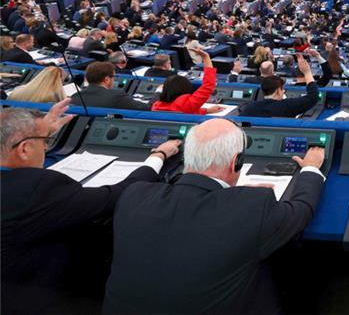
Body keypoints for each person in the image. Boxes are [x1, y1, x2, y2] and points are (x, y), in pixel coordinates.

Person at [103, 118, 325, 314]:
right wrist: (311, 169)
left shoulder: (135, 195)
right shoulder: (254, 206)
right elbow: (302, 208)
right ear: (235, 162)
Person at [1, 101, 180, 314]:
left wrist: (40, 131)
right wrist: (157, 156)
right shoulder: (35, 189)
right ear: (24, 149)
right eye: (45, 142)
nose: (46, 147)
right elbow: (120, 193)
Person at [238, 56, 319, 118]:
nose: (283, 91)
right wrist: (307, 72)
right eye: (282, 89)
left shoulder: (249, 108)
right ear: (277, 91)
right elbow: (313, 97)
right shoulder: (288, 106)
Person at [152, 48, 224, 115]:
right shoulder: (186, 104)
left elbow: (186, 112)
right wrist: (206, 57)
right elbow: (208, 85)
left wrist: (206, 111)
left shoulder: (156, 105)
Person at [70, 61, 150, 111]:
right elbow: (146, 108)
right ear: (107, 79)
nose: (114, 80)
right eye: (114, 77)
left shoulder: (75, 97)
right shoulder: (117, 96)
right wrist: (158, 93)